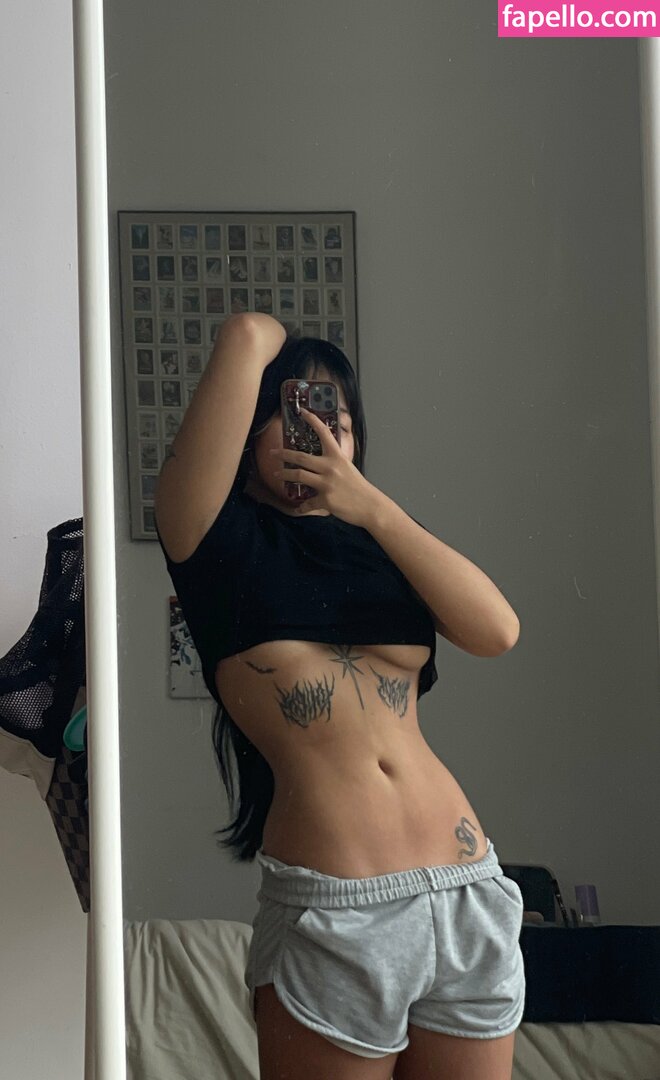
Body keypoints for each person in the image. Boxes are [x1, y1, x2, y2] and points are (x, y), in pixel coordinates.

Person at [154, 311, 526, 1080]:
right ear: (251, 428)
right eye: (295, 411)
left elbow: (497, 630)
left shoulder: (382, 541)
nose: (319, 432)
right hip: (338, 911)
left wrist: (371, 506)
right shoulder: (214, 543)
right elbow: (247, 332)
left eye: (338, 420)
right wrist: (284, 353)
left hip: (468, 891)